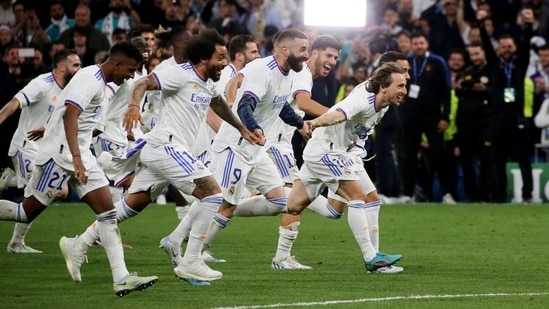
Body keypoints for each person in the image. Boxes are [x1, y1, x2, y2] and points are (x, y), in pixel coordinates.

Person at [58, 29, 260, 285]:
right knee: (213, 194)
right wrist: (133, 107)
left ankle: (79, 244)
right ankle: (191, 260)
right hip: (167, 145)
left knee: (133, 205)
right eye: (220, 58)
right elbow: (142, 83)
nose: (225, 63)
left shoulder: (207, 81)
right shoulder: (179, 73)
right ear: (203, 58)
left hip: (165, 151)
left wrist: (242, 128)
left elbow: (217, 103)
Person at [0, 41, 158, 296]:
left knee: (107, 214)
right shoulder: (89, 79)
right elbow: (70, 114)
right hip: (60, 156)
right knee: (25, 213)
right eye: (129, 70)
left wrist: (72, 147)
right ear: (116, 64)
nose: (131, 75)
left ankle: (121, 278)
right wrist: (75, 157)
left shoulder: (106, 84)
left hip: (81, 155)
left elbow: (74, 112)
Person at [198, 28, 311, 276]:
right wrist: (254, 128)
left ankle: (189, 237)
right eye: (302, 49)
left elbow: (279, 107)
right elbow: (245, 104)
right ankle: (195, 253)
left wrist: (300, 124)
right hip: (237, 145)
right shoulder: (263, 70)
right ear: (284, 49)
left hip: (257, 149)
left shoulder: (289, 74)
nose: (306, 54)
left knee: (281, 201)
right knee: (223, 202)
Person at [284, 62, 405, 273]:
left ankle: (252, 199)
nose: (404, 90)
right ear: (384, 86)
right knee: (358, 196)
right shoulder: (363, 99)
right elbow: (337, 113)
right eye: (400, 85)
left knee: (292, 205)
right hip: (326, 151)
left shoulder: (383, 106)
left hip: (337, 152)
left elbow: (359, 130)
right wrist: (315, 123)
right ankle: (371, 257)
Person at [0, 49, 81, 253]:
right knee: (36, 196)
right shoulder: (42, 84)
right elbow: (14, 103)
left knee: (60, 192)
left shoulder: (72, 89)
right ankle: (16, 243)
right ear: (62, 67)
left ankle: (10, 180)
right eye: (76, 65)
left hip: (46, 151)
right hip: (25, 147)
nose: (79, 69)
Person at [479, 8, 536, 203]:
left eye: (509, 46)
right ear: (499, 49)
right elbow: (486, 45)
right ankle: (499, 196)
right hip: (498, 118)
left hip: (517, 117)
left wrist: (528, 25)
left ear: (514, 47)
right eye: (503, 46)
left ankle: (527, 195)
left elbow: (526, 44)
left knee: (523, 159)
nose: (507, 49)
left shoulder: (520, 65)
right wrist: (481, 24)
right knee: (498, 160)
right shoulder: (495, 65)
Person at [397, 32, 453, 203]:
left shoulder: (437, 62)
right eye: (416, 43)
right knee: (409, 157)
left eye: (421, 42)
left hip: (433, 117)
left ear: (427, 44)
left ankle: (447, 194)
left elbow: (446, 90)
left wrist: (445, 117)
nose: (419, 46)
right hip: (411, 117)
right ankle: (408, 194)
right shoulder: (407, 62)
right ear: (412, 45)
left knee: (439, 156)